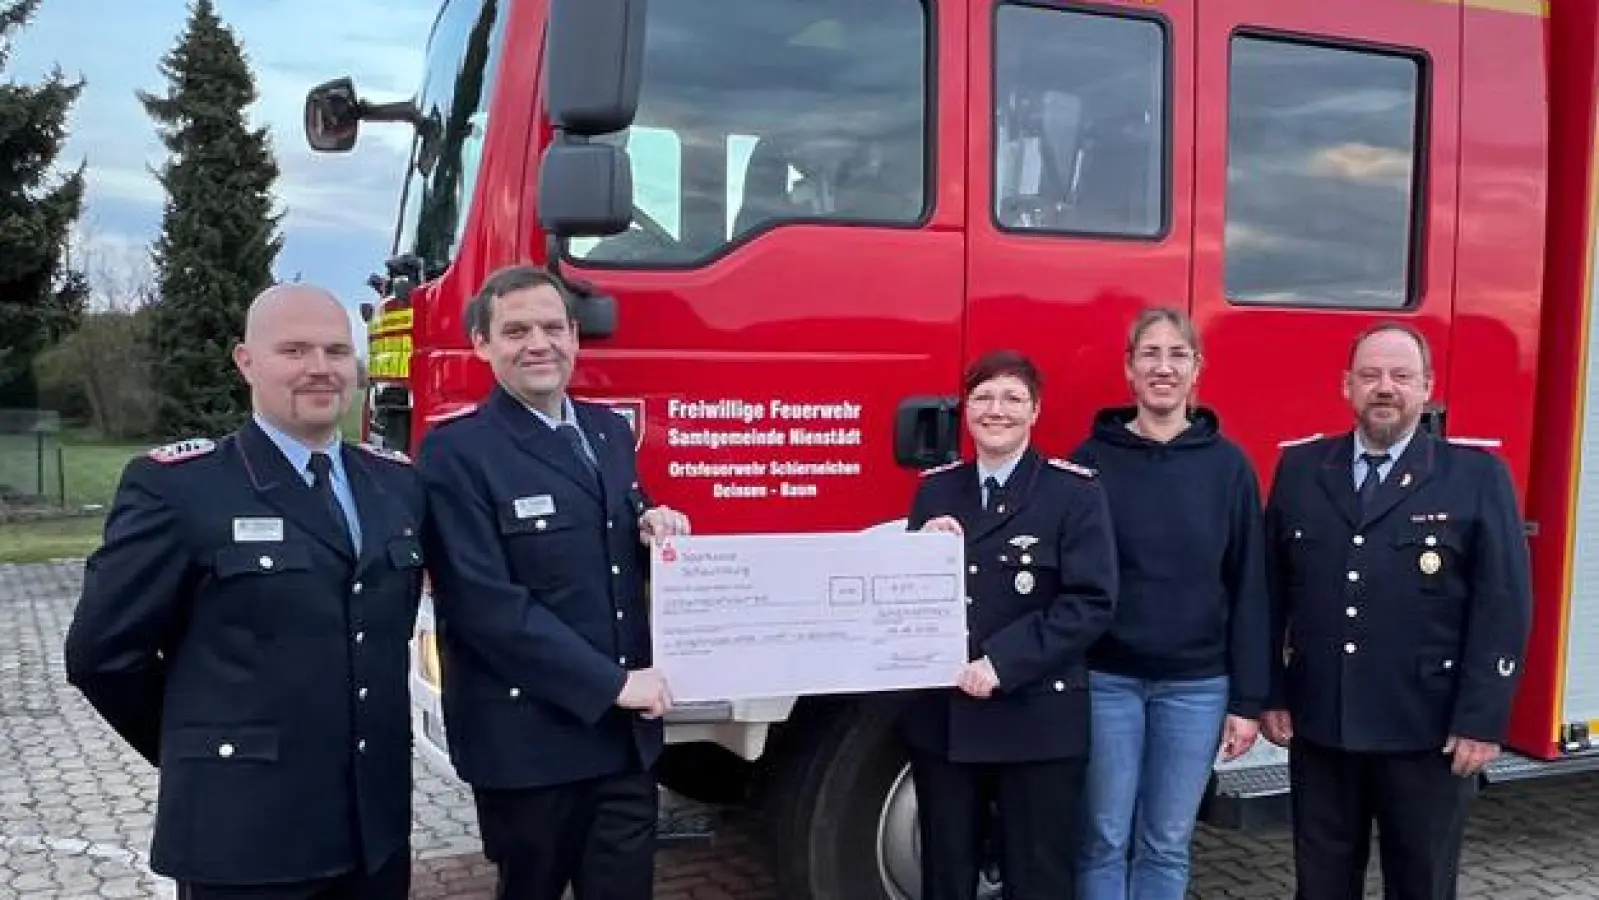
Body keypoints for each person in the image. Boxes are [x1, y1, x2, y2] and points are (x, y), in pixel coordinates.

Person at [62, 284, 427, 899]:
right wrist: (202, 750)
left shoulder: (395, 484)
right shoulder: (180, 489)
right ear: (246, 361)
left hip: (374, 834)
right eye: (294, 350)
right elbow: (101, 654)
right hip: (244, 836)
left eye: (337, 351)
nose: (320, 367)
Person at [415, 263, 691, 900]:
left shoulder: (607, 431)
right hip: (530, 747)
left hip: (622, 743)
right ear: (482, 345)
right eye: (516, 331)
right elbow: (485, 606)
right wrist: (614, 684)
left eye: (551, 327)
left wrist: (655, 529)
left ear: (574, 335)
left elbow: (612, 548)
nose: (538, 344)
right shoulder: (456, 453)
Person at [1259, 323, 1533, 900]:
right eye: (1371, 375)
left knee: (1421, 885)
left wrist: (1481, 720)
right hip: (1323, 723)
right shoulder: (1302, 469)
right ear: (1347, 386)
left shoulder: (1476, 477)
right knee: (1321, 885)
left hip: (1426, 731)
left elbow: (1502, 606)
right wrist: (1272, 693)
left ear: (1427, 387)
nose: (1385, 387)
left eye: (1401, 376)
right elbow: (1270, 593)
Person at [1070, 307, 1272, 900]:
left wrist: (1247, 702)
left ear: (1197, 368)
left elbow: (1250, 586)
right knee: (1103, 837)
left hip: (1196, 687)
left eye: (1177, 355)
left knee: (1166, 840)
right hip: (1107, 681)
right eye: (1150, 354)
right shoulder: (1089, 462)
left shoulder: (1229, 467)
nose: (1164, 368)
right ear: (1129, 368)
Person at [903, 349, 1119, 900]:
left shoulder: (1073, 493)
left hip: (1036, 718)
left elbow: (1090, 601)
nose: (996, 409)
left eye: (1012, 398)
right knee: (945, 878)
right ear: (967, 409)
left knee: (1039, 879)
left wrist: (1003, 662)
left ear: (1035, 411)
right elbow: (907, 602)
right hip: (946, 721)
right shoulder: (935, 490)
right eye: (983, 397)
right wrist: (921, 554)